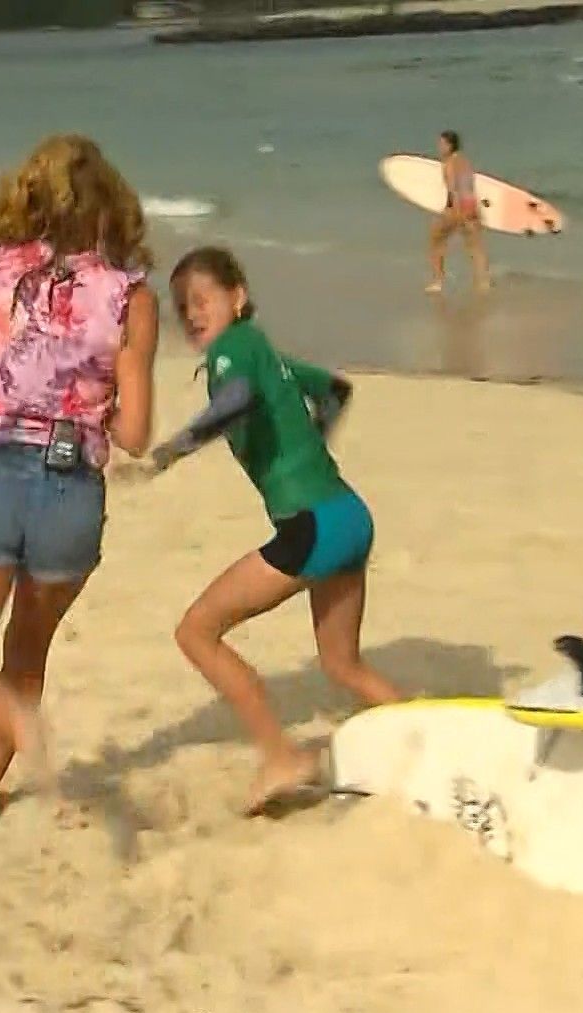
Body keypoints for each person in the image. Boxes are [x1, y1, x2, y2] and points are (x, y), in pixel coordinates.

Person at [0, 133, 159, 820]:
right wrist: (87, 401)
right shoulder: (133, 298)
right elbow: (135, 434)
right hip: (71, 490)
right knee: (25, 657)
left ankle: (21, 746)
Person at [139, 245, 405, 813]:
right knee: (342, 665)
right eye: (182, 307)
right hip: (347, 515)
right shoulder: (265, 353)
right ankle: (425, 740)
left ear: (238, 297)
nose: (192, 314)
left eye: (203, 300)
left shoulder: (232, 352)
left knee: (197, 632)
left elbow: (236, 401)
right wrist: (308, 447)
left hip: (312, 527)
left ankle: (279, 756)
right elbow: (335, 390)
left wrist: (168, 453)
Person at [427, 130, 490, 295]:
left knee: (436, 240)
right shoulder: (465, 162)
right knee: (475, 247)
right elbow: (470, 186)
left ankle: (438, 281)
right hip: (472, 205)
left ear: (450, 146)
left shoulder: (449, 164)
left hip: (458, 206)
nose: (439, 147)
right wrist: (475, 210)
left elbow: (453, 189)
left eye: (442, 144)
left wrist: (452, 211)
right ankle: (484, 283)